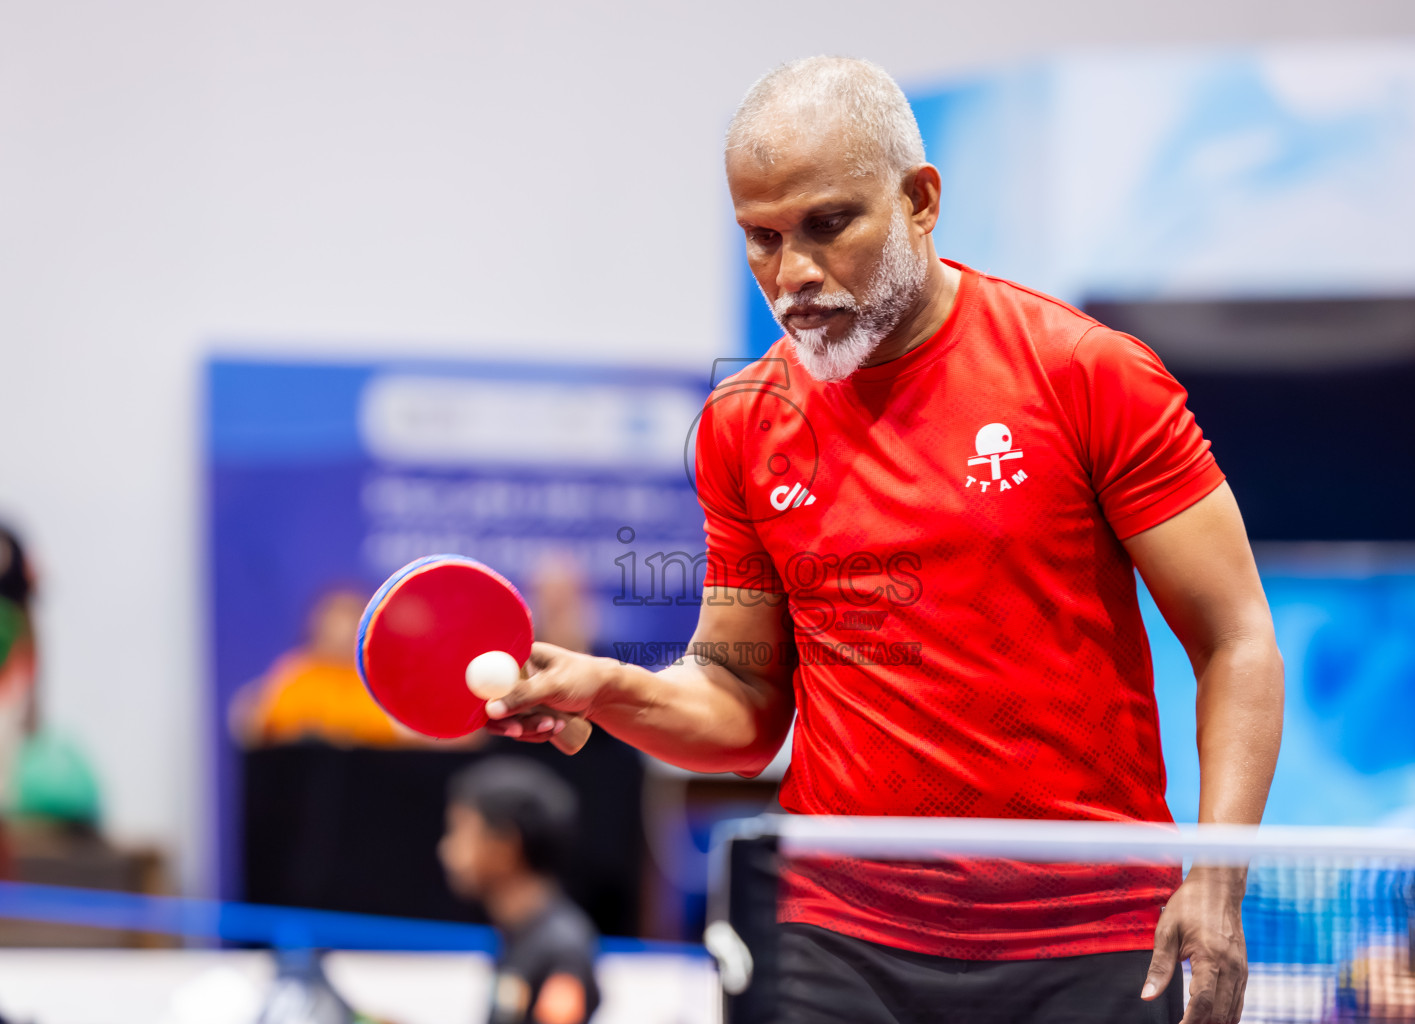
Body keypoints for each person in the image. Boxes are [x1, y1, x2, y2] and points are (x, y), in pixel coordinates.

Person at [487, 56, 1284, 1023]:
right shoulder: (744, 421)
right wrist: (607, 686)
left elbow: (1234, 637)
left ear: (920, 200)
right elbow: (742, 707)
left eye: (829, 225)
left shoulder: (1086, 373)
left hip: (1084, 930)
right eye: (762, 238)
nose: (794, 275)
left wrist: (1216, 877)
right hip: (839, 935)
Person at [439, 757, 600, 1024]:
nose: (446, 851)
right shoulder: (519, 933)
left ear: (506, 845)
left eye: (461, 831)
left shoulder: (561, 948)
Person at [230, 587, 409, 748]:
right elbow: (256, 727)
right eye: (334, 621)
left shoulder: (380, 681)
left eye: (351, 619)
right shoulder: (296, 674)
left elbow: (403, 738)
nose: (342, 634)